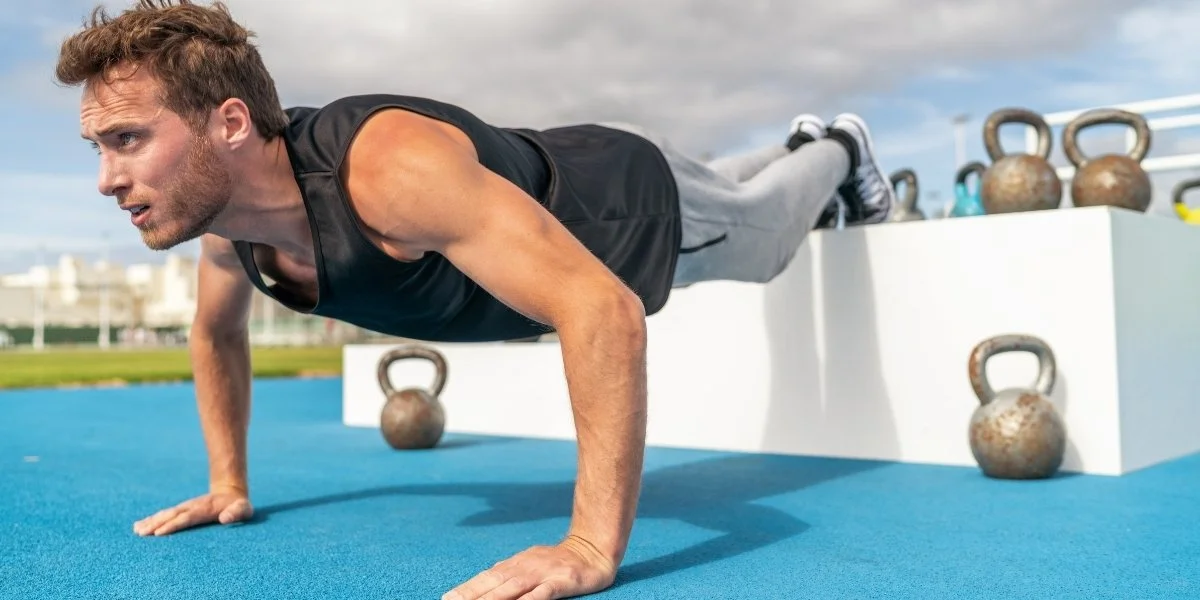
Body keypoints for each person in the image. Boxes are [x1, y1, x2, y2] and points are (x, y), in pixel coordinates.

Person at [56, 1, 896, 599]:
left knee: (765, 237)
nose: (106, 179)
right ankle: (792, 147)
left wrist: (589, 545)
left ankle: (837, 149)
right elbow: (215, 334)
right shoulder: (230, 227)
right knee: (728, 192)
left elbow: (602, 311)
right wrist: (227, 482)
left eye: (128, 139)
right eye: (98, 146)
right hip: (569, 167)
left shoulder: (386, 172)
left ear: (231, 123)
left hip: (625, 209)